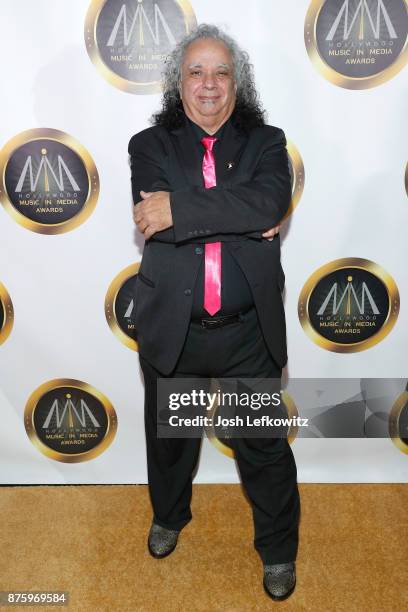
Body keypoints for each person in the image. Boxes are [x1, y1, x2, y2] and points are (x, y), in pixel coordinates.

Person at [128, 24, 300, 601]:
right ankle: (169, 517)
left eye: (221, 72)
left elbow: (270, 200)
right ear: (179, 84)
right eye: (196, 72)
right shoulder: (149, 146)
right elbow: (157, 223)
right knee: (172, 444)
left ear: (237, 83)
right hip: (175, 332)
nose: (209, 84)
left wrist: (183, 207)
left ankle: (278, 551)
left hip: (247, 333)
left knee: (264, 449)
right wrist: (242, 213)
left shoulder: (267, 142)